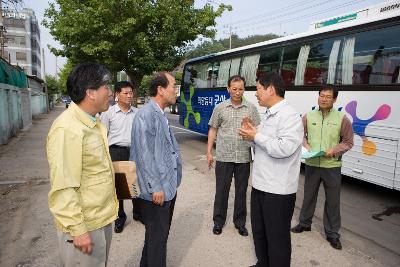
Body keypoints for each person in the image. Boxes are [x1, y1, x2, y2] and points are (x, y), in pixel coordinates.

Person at [46, 62, 118, 267]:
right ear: (91, 92)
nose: (111, 93)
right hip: (84, 225)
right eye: (107, 87)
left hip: (100, 219)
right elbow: (63, 185)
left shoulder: (94, 122)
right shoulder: (67, 129)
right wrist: (78, 229)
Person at [239, 72, 303, 267]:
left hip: (278, 190)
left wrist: (256, 136)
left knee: (277, 238)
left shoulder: (289, 116)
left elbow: (283, 148)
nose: (255, 94)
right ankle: (263, 263)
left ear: (271, 89)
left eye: (258, 88)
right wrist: (251, 135)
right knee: (260, 231)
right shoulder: (269, 114)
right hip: (261, 185)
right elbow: (263, 145)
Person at [291, 85, 354, 250]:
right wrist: (306, 145)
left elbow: (348, 142)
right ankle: (304, 223)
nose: (324, 99)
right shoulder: (309, 115)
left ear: (334, 100)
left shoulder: (342, 118)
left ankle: (333, 234)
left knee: (332, 202)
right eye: (321, 96)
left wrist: (334, 150)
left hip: (331, 165)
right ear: (318, 97)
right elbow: (299, 135)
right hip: (312, 163)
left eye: (328, 96)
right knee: (308, 196)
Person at [130, 72, 182, 267]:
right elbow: (144, 156)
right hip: (157, 191)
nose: (175, 90)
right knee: (157, 242)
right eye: (173, 86)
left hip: (167, 187)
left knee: (155, 239)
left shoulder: (160, 113)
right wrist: (155, 187)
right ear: (161, 90)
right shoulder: (146, 115)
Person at [207, 75, 260, 236]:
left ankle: (240, 223)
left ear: (244, 89)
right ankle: (218, 221)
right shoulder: (220, 108)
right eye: (234, 89)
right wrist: (209, 152)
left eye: (241, 89)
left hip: (243, 157)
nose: (237, 92)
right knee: (221, 191)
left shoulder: (251, 108)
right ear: (228, 89)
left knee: (241, 192)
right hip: (224, 156)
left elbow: (257, 129)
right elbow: (213, 129)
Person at [100, 81, 142, 233]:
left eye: (131, 92)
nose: (129, 95)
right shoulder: (108, 113)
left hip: (134, 151)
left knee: (136, 183)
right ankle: (120, 217)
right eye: (126, 93)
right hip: (116, 151)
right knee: (119, 186)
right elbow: (103, 136)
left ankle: (138, 212)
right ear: (117, 94)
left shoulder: (137, 113)